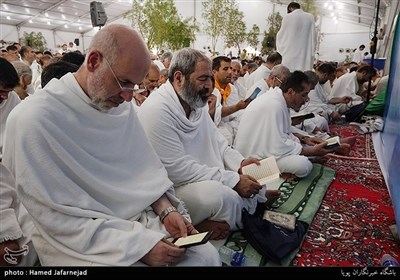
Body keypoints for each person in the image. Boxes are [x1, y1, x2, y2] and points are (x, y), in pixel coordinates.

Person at [2, 24, 220, 266]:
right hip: (80, 238)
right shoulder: (32, 120)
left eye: (134, 86)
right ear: (94, 61)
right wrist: (138, 247)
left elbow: (144, 171)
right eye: (124, 82)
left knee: (204, 256)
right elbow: (53, 217)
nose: (129, 96)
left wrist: (167, 210)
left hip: (136, 218)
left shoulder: (121, 106)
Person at [138, 48, 280, 240]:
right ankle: (208, 220)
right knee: (221, 196)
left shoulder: (194, 101)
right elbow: (177, 170)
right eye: (203, 79)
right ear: (179, 78)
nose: (209, 86)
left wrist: (240, 163)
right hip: (174, 189)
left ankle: (251, 202)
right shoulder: (157, 110)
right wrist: (232, 180)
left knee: (258, 169)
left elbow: (218, 142)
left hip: (206, 173)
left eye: (210, 79)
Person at [235, 71, 334, 178]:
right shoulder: (275, 104)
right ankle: (268, 173)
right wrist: (310, 152)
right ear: (291, 92)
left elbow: (284, 133)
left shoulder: (279, 100)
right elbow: (278, 145)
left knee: (305, 148)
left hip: (266, 150)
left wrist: (305, 139)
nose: (305, 100)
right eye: (304, 95)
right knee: (303, 165)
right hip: (252, 160)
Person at [276, 2, 316, 71]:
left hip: (289, 59)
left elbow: (281, 36)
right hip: (305, 58)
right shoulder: (310, 17)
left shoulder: (287, 17)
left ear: (290, 9)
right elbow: (314, 39)